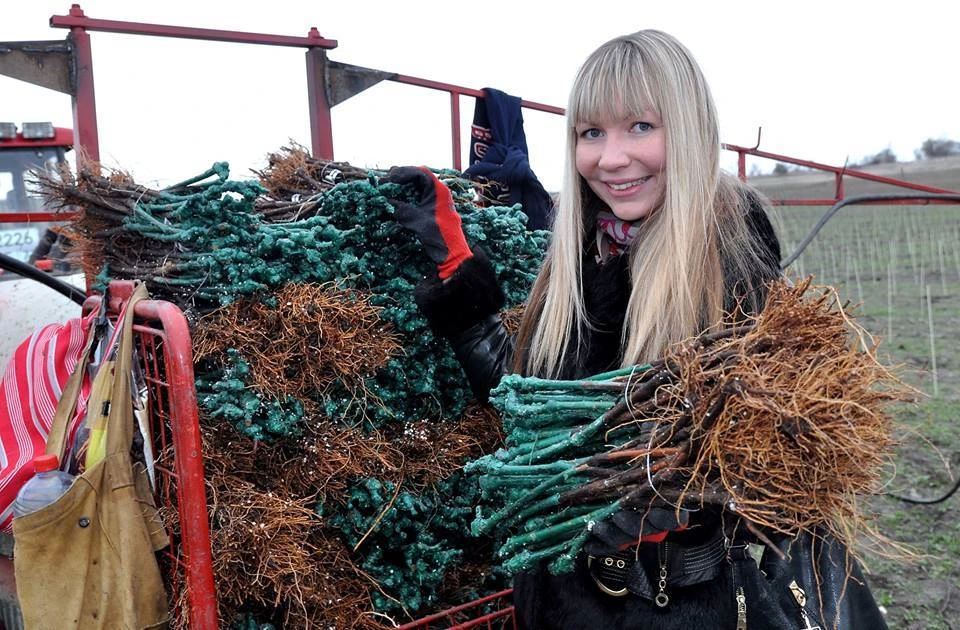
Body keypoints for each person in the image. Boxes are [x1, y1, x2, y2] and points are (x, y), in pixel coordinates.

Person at [384, 30, 887, 630]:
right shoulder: (582, 250)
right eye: (591, 133)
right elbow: (533, 411)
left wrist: (661, 498)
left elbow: (755, 460)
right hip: (560, 601)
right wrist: (456, 269)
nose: (611, 158)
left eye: (640, 127)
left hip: (674, 610)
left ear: (689, 130)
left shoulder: (728, 250)